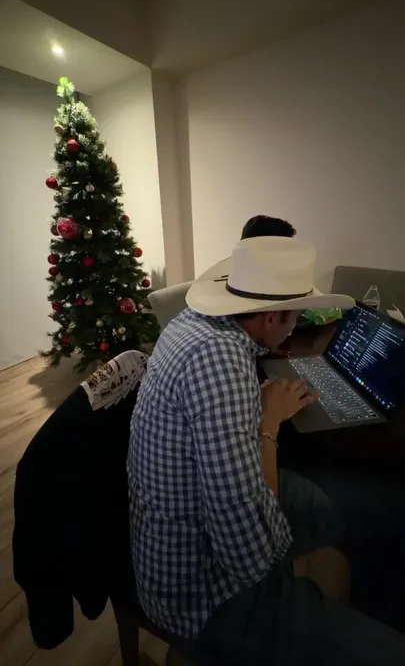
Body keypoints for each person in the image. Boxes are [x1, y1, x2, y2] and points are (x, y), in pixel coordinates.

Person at [127, 237, 405, 665]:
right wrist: (269, 423)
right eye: (296, 316)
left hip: (173, 544)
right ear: (273, 316)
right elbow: (250, 557)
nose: (296, 326)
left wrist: (255, 410)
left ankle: (351, 593)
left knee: (369, 510)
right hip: (202, 598)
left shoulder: (193, 323)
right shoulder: (221, 363)